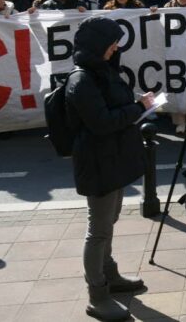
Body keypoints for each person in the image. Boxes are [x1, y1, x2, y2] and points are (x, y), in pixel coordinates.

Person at [65, 16, 154, 321]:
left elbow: (114, 108)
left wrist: (137, 106)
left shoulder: (101, 71)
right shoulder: (83, 80)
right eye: (111, 43)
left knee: (109, 220)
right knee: (98, 230)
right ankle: (97, 295)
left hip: (111, 158)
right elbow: (102, 123)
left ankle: (110, 276)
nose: (115, 48)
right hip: (97, 161)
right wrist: (138, 109)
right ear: (97, 45)